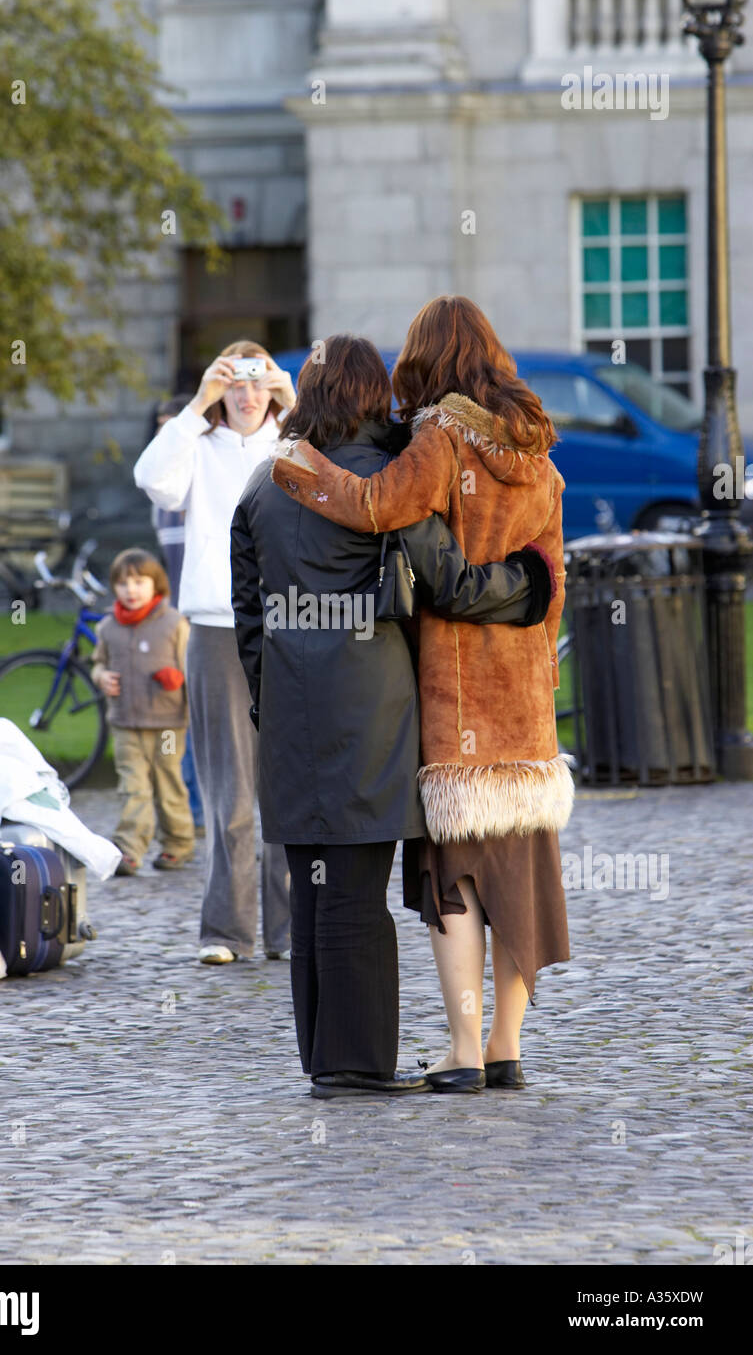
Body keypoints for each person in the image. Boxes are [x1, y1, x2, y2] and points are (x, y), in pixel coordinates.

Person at [231, 334, 555, 1098]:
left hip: (287, 704)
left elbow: (249, 618)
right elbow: (448, 583)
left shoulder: (263, 480)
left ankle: (322, 1056)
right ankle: (356, 1065)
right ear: (373, 395)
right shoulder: (386, 476)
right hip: (371, 702)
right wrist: (530, 584)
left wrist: (270, 692)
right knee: (353, 890)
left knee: (308, 888)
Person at [134, 341, 295, 965]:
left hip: (290, 623)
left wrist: (295, 400)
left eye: (258, 381)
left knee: (286, 785)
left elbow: (345, 476)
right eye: (235, 383)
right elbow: (153, 481)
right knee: (228, 790)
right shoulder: (196, 445)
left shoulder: (292, 442)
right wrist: (197, 404)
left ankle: (287, 932)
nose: (248, 393)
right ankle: (227, 931)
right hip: (216, 625)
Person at [91, 548, 194, 875]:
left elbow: (193, 668)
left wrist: (178, 680)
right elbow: (98, 664)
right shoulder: (108, 628)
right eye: (123, 584)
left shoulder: (174, 624)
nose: (130, 590)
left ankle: (178, 844)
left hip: (167, 727)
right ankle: (129, 849)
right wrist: (102, 677)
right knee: (132, 787)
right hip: (126, 725)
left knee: (168, 783)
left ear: (157, 585)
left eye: (139, 582)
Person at [147, 394, 204, 834]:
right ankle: (189, 812)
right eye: (161, 427)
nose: (168, 435)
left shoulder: (205, 474)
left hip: (211, 613)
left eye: (175, 426)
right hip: (177, 612)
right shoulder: (160, 492)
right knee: (177, 711)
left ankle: (199, 810)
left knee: (203, 714)